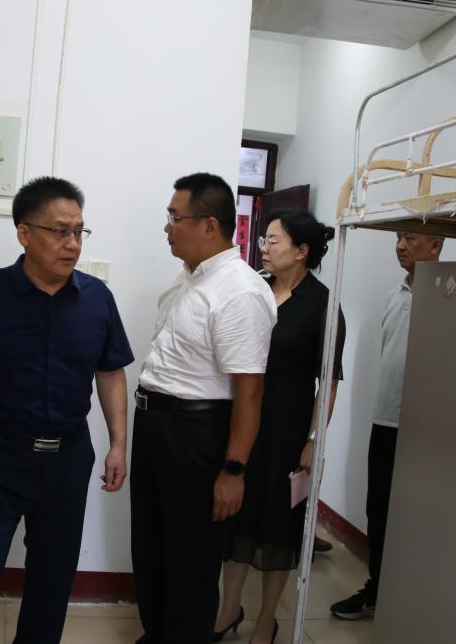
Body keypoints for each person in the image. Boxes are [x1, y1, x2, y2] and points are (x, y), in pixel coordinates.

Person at [0, 176, 135, 644]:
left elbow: (111, 373)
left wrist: (119, 443)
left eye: (78, 231)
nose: (72, 243)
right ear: (24, 233)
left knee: (52, 582)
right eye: (59, 231)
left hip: (67, 459)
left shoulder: (98, 299)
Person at [131, 172, 277, 644]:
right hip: (156, 427)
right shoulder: (190, 278)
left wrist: (233, 469)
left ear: (209, 225)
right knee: (152, 547)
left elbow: (250, 391)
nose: (167, 226)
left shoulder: (240, 290)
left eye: (175, 217)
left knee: (190, 560)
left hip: (195, 435)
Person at [214, 211, 346, 644]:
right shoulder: (256, 288)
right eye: (264, 240)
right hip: (242, 421)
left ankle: (266, 621)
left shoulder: (323, 304)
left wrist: (312, 440)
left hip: (287, 429)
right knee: (235, 518)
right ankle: (228, 610)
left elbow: (328, 381)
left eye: (273, 240)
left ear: (302, 250)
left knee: (278, 528)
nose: (264, 248)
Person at [329, 231, 443, 620]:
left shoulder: (448, 298)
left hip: (426, 429)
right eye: (398, 237)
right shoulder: (396, 295)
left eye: (410, 238)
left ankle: (413, 596)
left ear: (436, 245)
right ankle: (378, 588)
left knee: (418, 514)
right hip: (386, 418)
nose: (400, 245)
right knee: (378, 510)